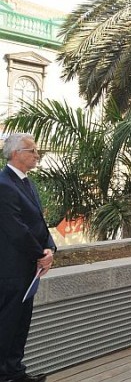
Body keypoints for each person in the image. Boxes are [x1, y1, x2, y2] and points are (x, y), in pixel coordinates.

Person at [0, 133, 55, 382]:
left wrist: (49, 249)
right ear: (15, 154)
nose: (37, 155)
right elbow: (16, 229)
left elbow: (38, 222)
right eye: (31, 150)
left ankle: (15, 372)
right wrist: (40, 254)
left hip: (28, 269)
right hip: (10, 271)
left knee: (21, 324)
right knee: (7, 324)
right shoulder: (3, 184)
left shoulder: (27, 182)